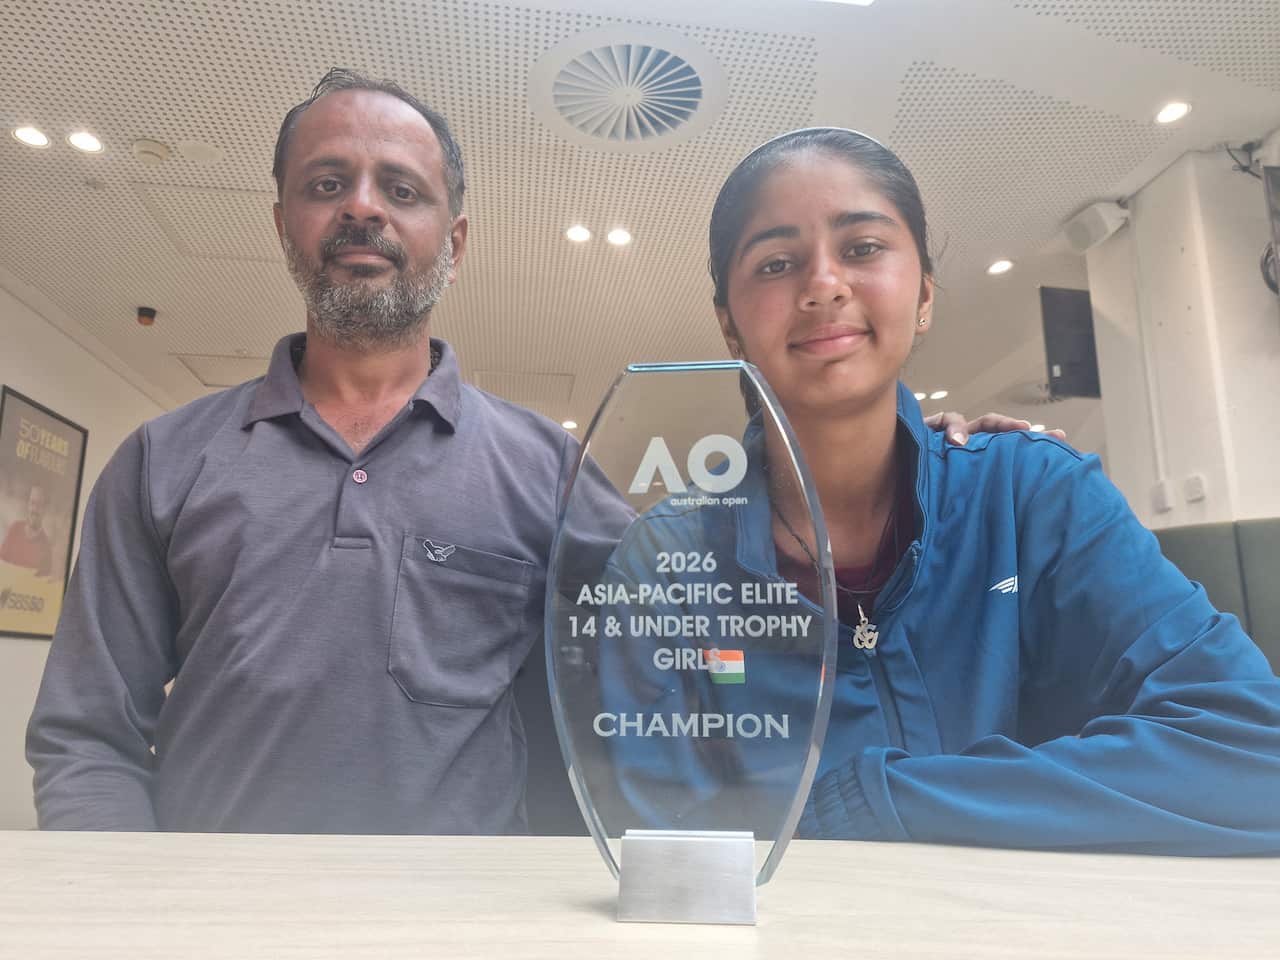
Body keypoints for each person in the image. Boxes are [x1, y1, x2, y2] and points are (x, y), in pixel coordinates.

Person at [24, 69, 1051, 835]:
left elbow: (696, 625)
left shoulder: (547, 472)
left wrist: (925, 452)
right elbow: (85, 739)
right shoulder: (161, 463)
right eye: (327, 182)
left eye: (401, 188)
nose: (363, 208)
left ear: (454, 240)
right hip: (212, 924)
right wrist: (135, 907)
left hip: (468, 926)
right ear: (285, 223)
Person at [595, 128, 1280, 854]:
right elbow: (655, 845)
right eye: (776, 262)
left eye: (862, 248)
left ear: (923, 293)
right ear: (729, 326)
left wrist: (881, 800)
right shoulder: (666, 560)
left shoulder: (1031, 494)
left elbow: (1254, 751)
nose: (824, 284)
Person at [1, 484, 54, 577]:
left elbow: (42, 587)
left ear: (45, 509)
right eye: (32, 503)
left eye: (40, 505)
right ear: (28, 504)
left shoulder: (46, 549)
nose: (35, 509)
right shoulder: (15, 529)